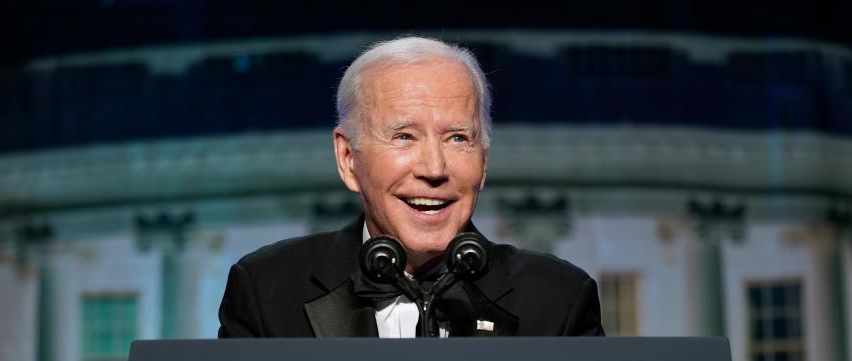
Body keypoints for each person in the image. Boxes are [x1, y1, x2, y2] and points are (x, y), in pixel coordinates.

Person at [218, 36, 603, 338]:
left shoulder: (558, 300)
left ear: (483, 161)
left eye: (457, 138)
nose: (434, 169)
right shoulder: (267, 291)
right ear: (348, 159)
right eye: (404, 137)